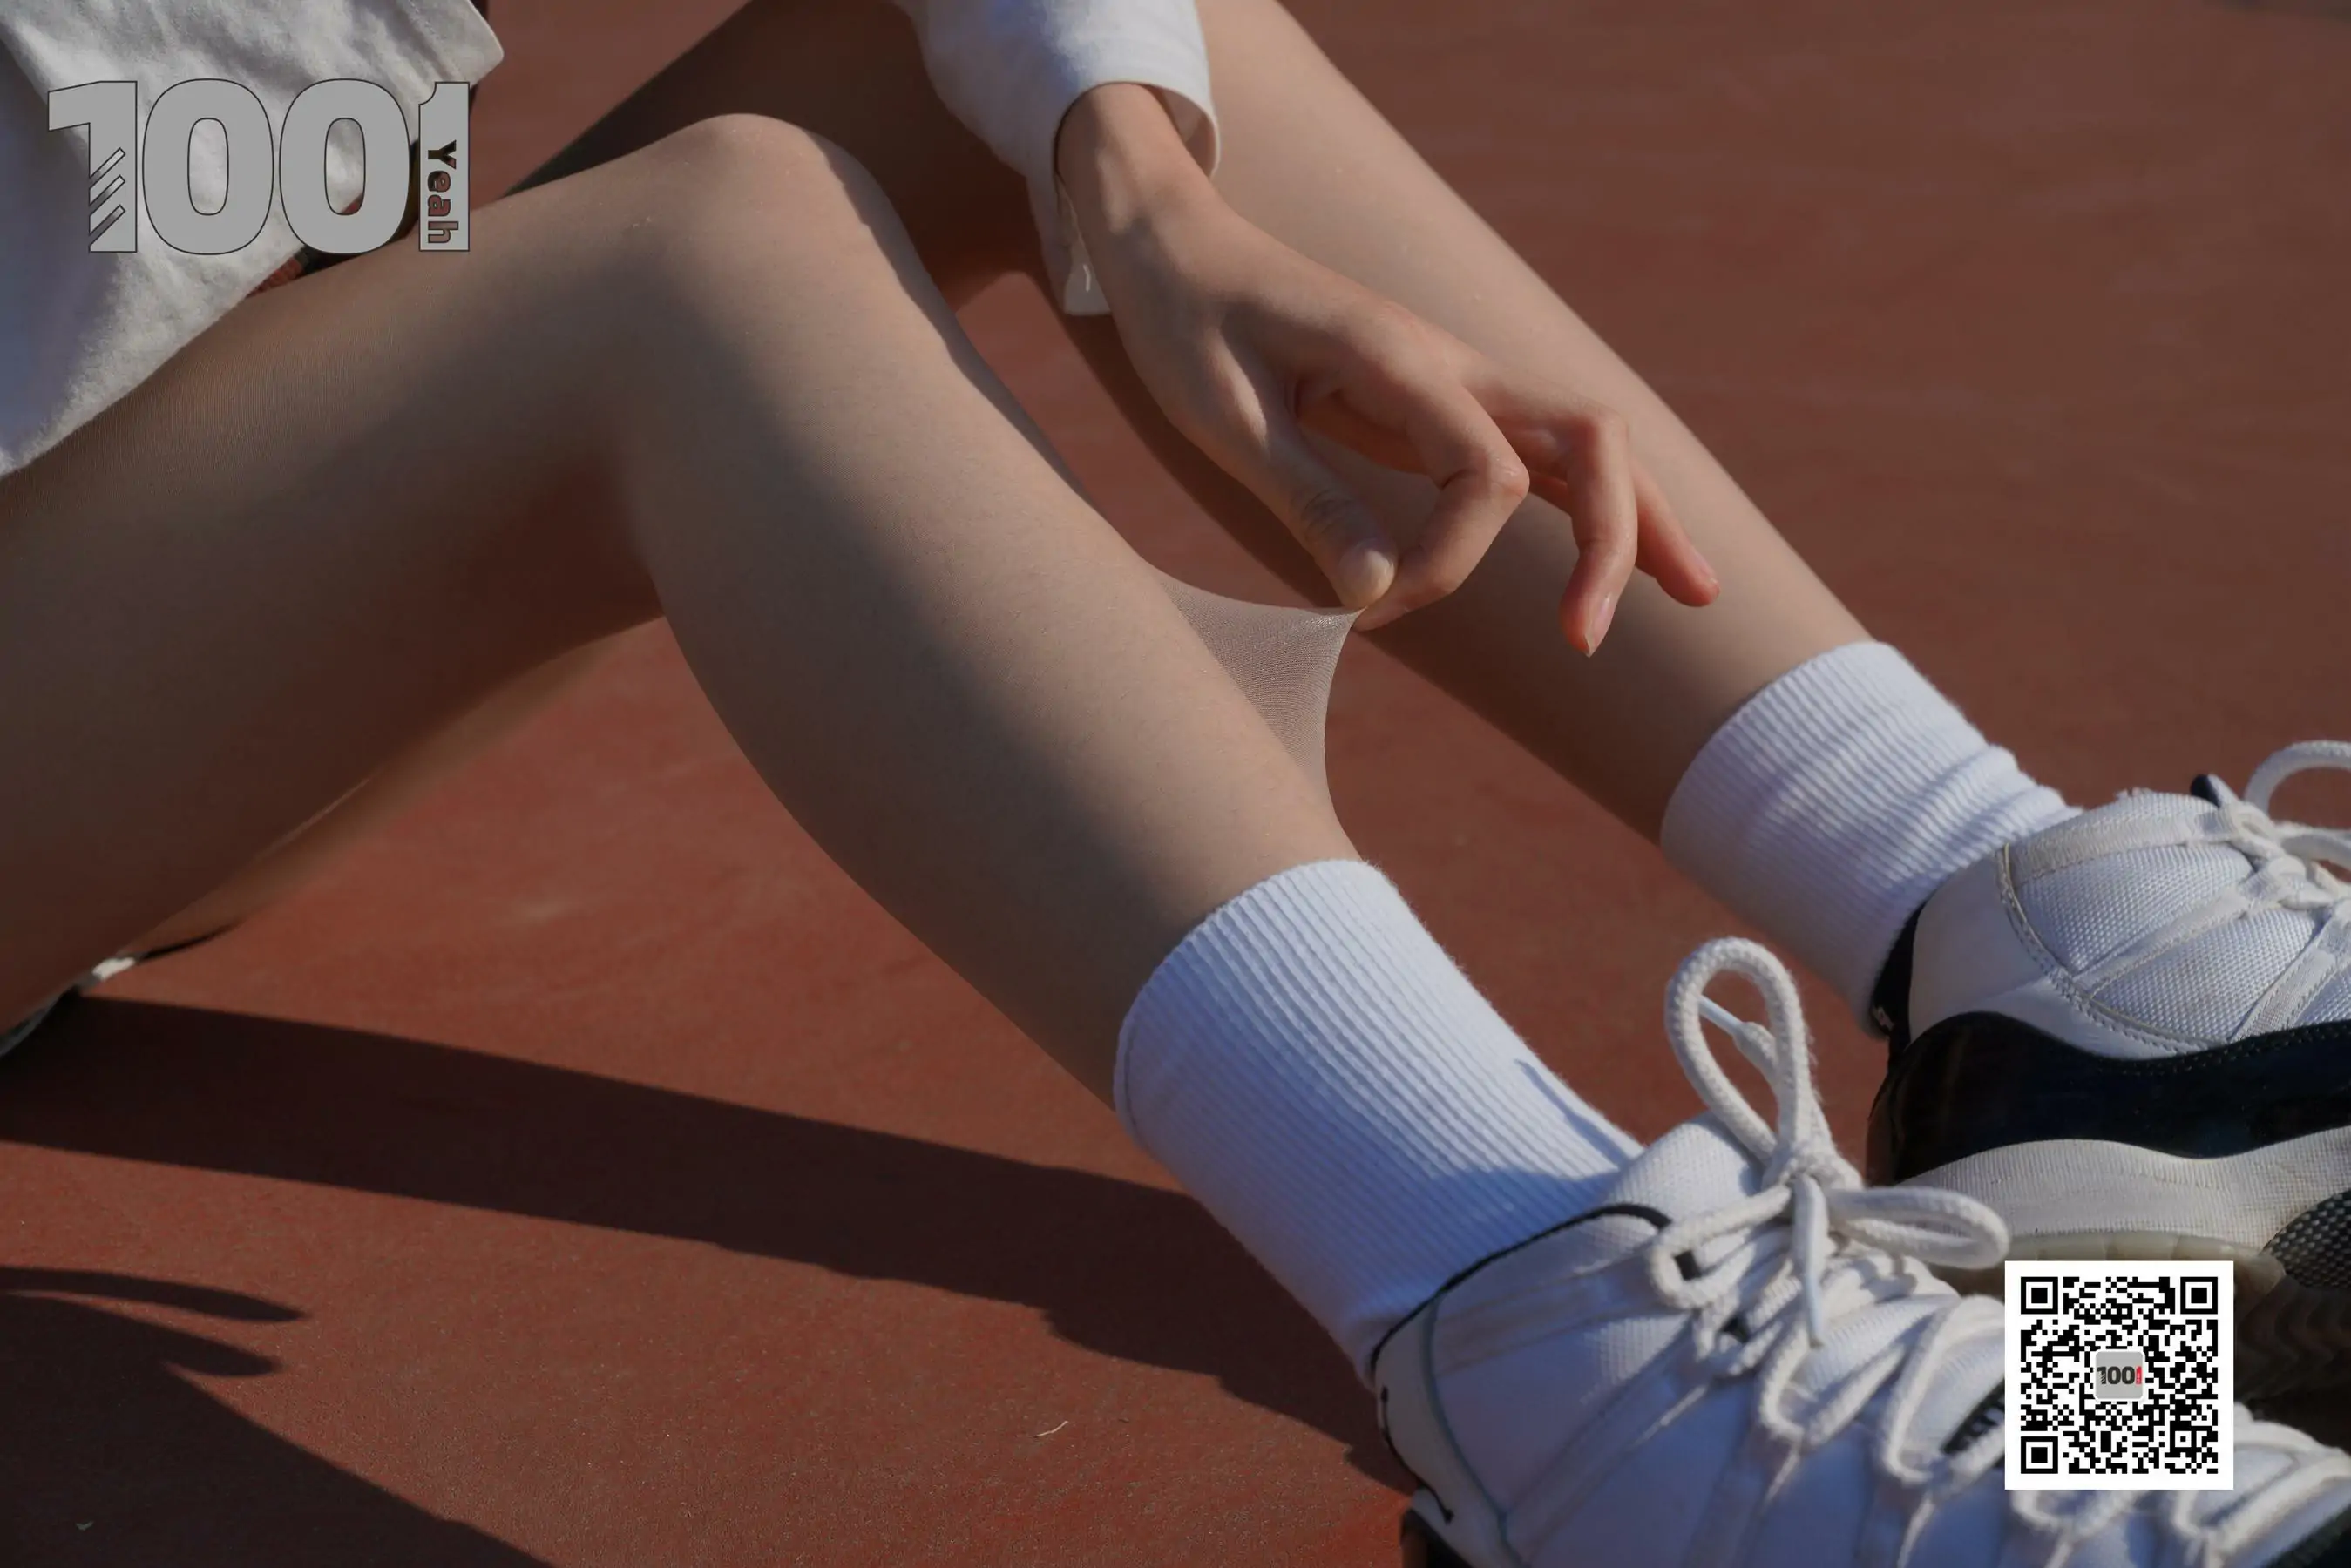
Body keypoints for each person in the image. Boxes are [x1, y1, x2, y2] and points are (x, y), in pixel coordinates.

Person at [1, 0, 2346, 1562]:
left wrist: (1139, 181)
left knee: (1068, 57)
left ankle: (2034, 981)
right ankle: (1598, 1396)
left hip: (141, 486)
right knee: (696, 265)